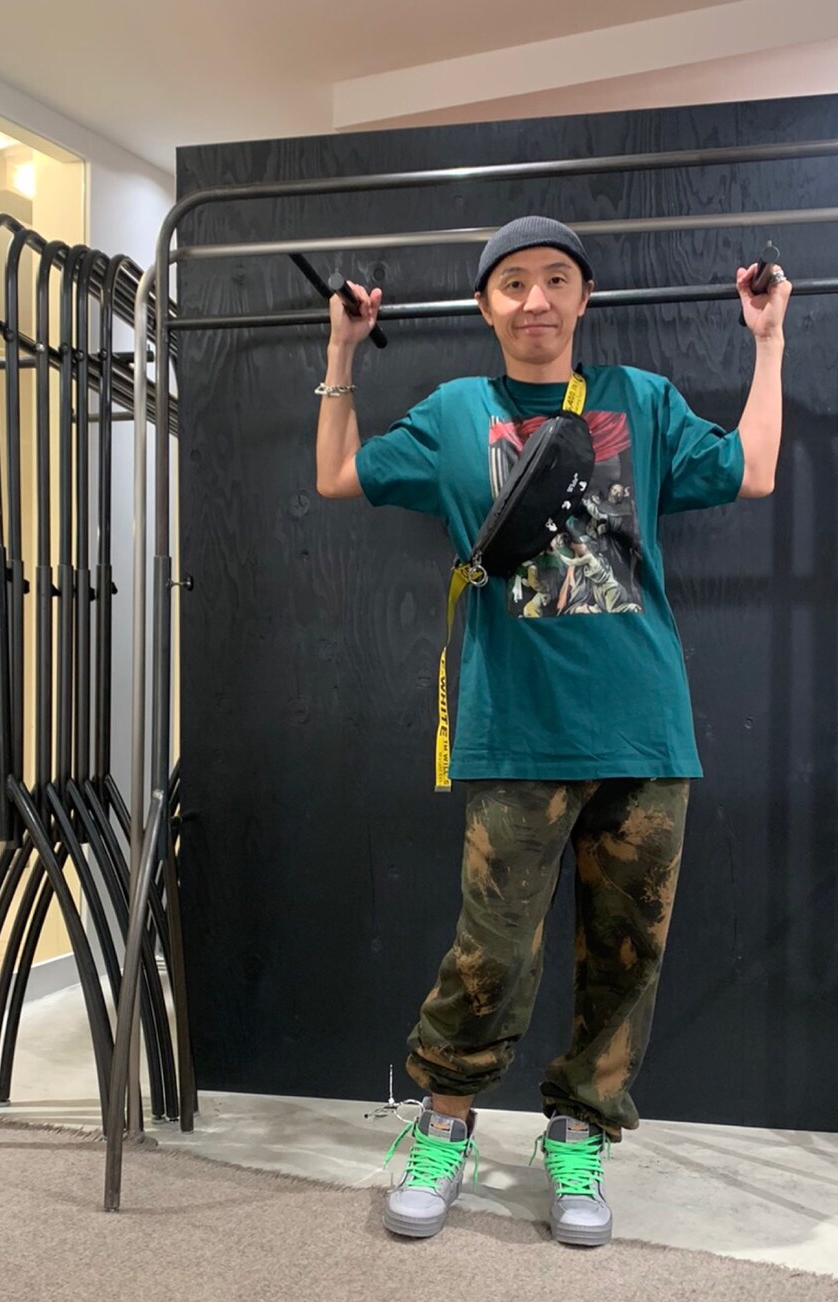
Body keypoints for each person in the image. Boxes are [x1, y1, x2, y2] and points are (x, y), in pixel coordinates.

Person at [314, 216, 790, 1246]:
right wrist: (342, 352)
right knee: (490, 954)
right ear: (486, 305)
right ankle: (444, 1124)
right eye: (515, 282)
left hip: (642, 733)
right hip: (515, 734)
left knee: (626, 957)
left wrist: (768, 341)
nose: (536, 300)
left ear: (583, 298)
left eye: (557, 280)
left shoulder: (640, 401)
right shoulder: (456, 413)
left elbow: (753, 470)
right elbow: (338, 474)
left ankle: (579, 1135)